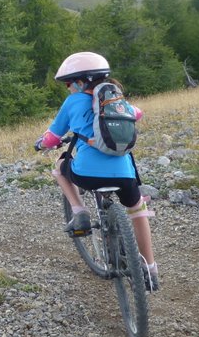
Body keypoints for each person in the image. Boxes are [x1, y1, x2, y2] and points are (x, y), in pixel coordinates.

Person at [34, 51, 159, 292]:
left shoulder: (73, 102)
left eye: (69, 83)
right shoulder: (115, 100)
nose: (69, 88)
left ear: (81, 81)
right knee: (137, 210)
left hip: (87, 174)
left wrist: (41, 144)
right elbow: (138, 113)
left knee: (60, 168)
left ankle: (79, 211)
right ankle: (151, 269)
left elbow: (52, 138)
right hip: (126, 175)